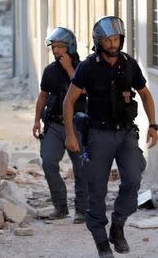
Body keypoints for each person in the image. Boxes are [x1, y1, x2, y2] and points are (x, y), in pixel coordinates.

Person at [63, 16, 157, 257]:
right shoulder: (88, 66)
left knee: (133, 180)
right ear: (99, 42)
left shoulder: (129, 64)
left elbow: (145, 94)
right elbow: (69, 101)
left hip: (126, 134)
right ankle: (101, 242)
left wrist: (154, 125)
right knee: (97, 189)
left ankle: (117, 225)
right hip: (98, 135)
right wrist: (70, 135)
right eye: (108, 40)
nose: (113, 43)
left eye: (116, 38)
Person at [32, 27, 88, 224]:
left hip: (78, 125)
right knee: (48, 162)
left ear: (70, 47)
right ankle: (60, 206)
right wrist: (36, 120)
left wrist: (69, 69)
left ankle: (81, 210)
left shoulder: (83, 68)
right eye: (54, 47)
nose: (56, 51)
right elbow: (43, 96)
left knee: (81, 168)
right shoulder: (49, 71)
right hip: (54, 125)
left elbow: (83, 92)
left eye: (60, 47)